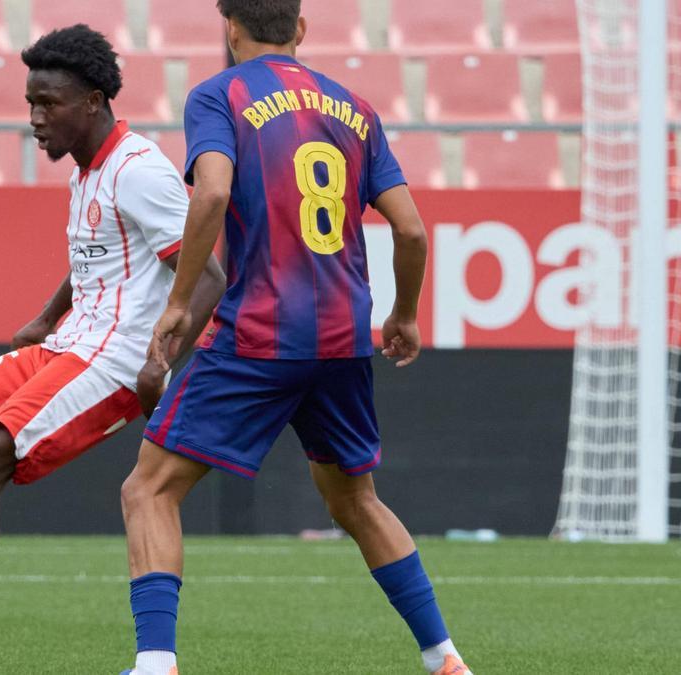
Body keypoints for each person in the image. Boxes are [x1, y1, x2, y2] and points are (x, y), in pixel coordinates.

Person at [118, 2, 471, 674]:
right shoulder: (354, 108)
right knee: (355, 499)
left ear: (231, 29)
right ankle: (444, 656)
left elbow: (213, 194)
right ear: (300, 30)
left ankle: (156, 662)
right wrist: (405, 313)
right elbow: (413, 229)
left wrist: (177, 302)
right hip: (343, 339)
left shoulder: (218, 95)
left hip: (259, 332)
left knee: (150, 489)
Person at [0, 24, 226, 675]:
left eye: (50, 105)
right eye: (30, 104)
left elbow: (210, 272)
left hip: (114, 361)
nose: (36, 120)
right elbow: (97, 257)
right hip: (67, 345)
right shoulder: (88, 171)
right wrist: (46, 317)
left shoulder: (140, 171)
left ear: (94, 101)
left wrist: (161, 358)